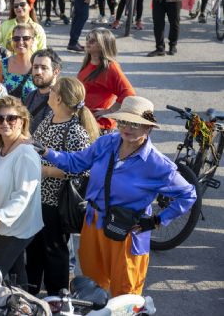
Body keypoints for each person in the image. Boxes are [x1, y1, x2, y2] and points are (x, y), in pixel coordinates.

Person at [35, 96, 197, 296]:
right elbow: (76, 163)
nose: (127, 128)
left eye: (135, 123)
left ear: (148, 128)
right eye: (123, 121)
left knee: (125, 296)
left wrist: (156, 221)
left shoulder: (157, 164)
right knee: (92, 290)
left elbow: (188, 194)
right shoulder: (107, 142)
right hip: (93, 225)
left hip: (127, 233)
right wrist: (47, 152)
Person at [26, 77, 99, 296]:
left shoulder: (75, 131)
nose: (49, 91)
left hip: (56, 203)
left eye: (53, 90)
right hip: (38, 198)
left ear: (59, 98)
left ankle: (56, 298)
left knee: (54, 252)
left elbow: (84, 169)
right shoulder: (50, 117)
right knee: (35, 249)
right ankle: (30, 293)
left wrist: (47, 171)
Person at [0, 96, 42, 287]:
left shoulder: (25, 152)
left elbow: (24, 195)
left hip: (14, 228)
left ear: (22, 121)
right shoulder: (1, 148)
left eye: (11, 118)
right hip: (2, 227)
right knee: (15, 277)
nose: (5, 123)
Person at [77, 28, 136, 132]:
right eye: (87, 39)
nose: (88, 42)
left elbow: (129, 93)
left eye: (93, 40)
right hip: (85, 120)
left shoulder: (110, 67)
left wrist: (110, 110)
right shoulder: (89, 61)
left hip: (99, 125)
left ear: (103, 45)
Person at [0, 24, 38, 101]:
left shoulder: (39, 65)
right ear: (12, 41)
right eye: (16, 38)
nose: (21, 42)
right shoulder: (3, 64)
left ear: (32, 41)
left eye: (26, 38)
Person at [24, 48, 62, 134]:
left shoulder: (62, 100)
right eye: (35, 67)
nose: (38, 72)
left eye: (44, 68)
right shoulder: (30, 96)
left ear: (56, 72)